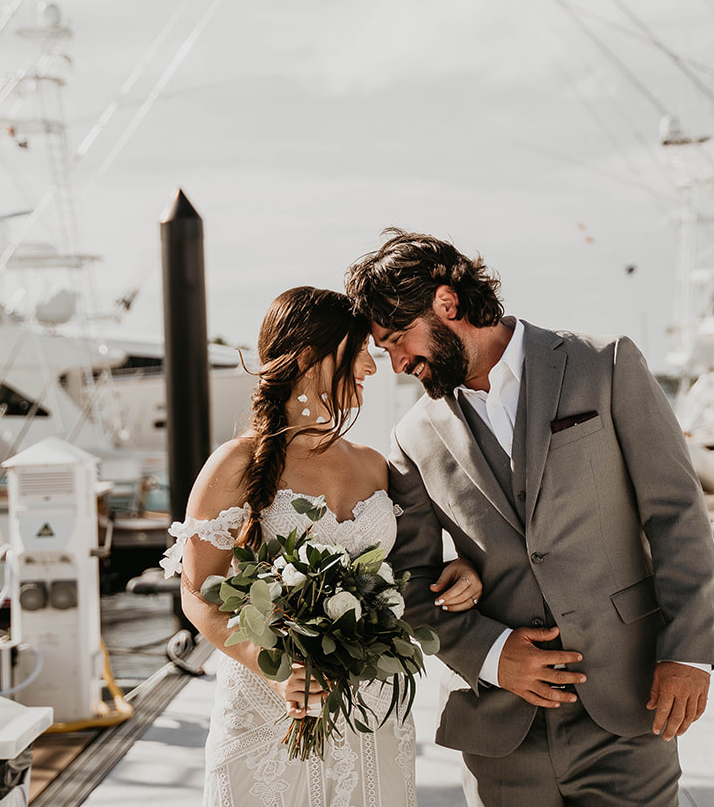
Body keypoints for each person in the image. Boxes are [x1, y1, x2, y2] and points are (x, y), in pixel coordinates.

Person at [346, 230, 714, 807]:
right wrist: (493, 654)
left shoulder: (604, 364)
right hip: (501, 733)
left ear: (447, 303)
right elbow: (407, 583)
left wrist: (687, 652)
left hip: (628, 698)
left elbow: (677, 515)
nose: (398, 363)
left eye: (398, 340)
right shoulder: (412, 437)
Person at [163, 286, 485, 807]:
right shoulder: (235, 464)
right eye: (359, 352)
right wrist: (270, 664)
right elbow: (198, 594)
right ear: (309, 358)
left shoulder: (374, 465)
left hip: (371, 710)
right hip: (269, 707)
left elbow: (408, 569)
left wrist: (462, 568)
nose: (372, 367)